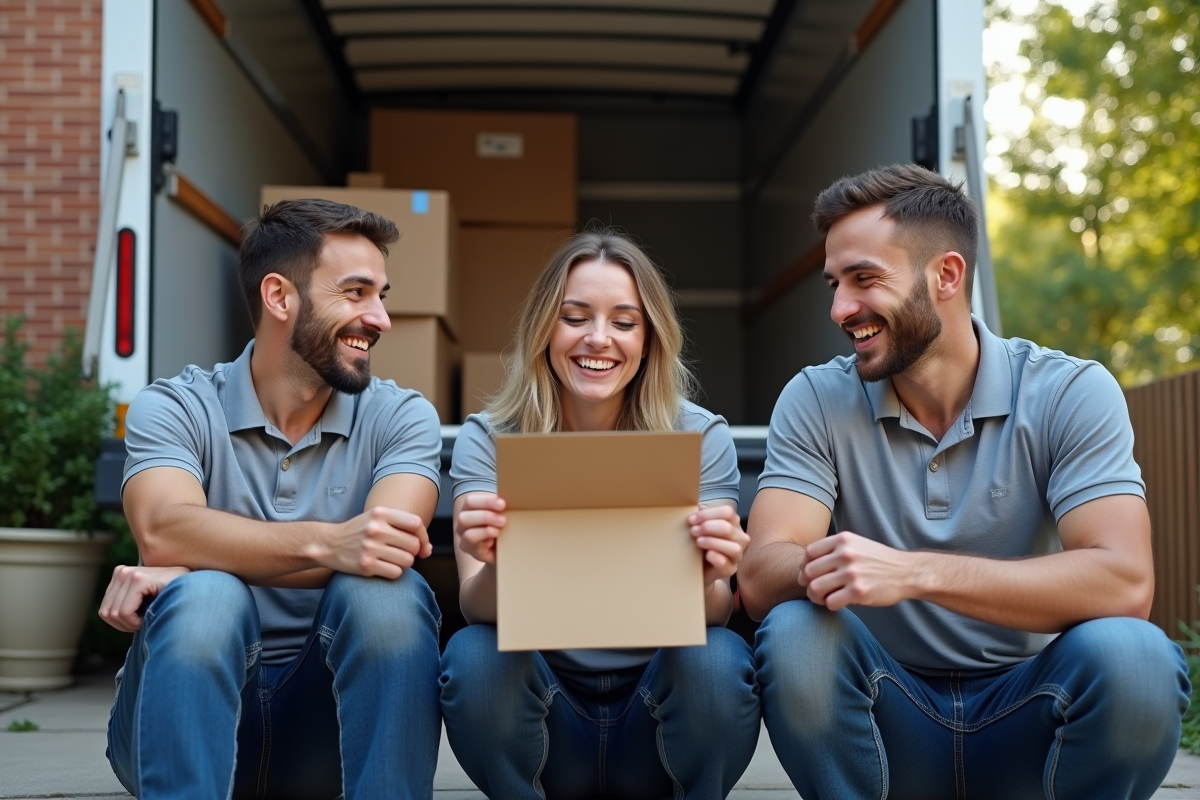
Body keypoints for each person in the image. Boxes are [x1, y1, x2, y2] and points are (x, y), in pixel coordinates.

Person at [739, 164, 1190, 800]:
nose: (840, 309)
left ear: (946, 276)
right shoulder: (817, 397)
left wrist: (915, 572)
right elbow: (761, 576)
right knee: (794, 634)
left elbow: (1125, 582)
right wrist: (834, 565)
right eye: (835, 284)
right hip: (888, 716)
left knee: (1135, 656)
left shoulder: (1069, 391)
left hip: (1030, 710)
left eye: (865, 279)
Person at [98, 199, 443, 800]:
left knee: (388, 596)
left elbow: (386, 552)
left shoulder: (403, 416)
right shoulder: (175, 406)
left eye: (381, 295)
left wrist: (197, 556)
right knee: (206, 598)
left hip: (327, 735)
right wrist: (330, 543)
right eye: (356, 293)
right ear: (279, 296)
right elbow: (164, 530)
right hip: (183, 715)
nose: (381, 319)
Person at [439, 228, 761, 799]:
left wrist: (712, 575)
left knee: (719, 659)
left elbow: (712, 613)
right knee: (473, 656)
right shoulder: (490, 438)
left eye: (624, 322)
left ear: (649, 338)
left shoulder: (699, 435)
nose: (598, 338)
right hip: (548, 709)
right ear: (544, 327)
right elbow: (474, 605)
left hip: (653, 712)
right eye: (575, 317)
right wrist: (499, 563)